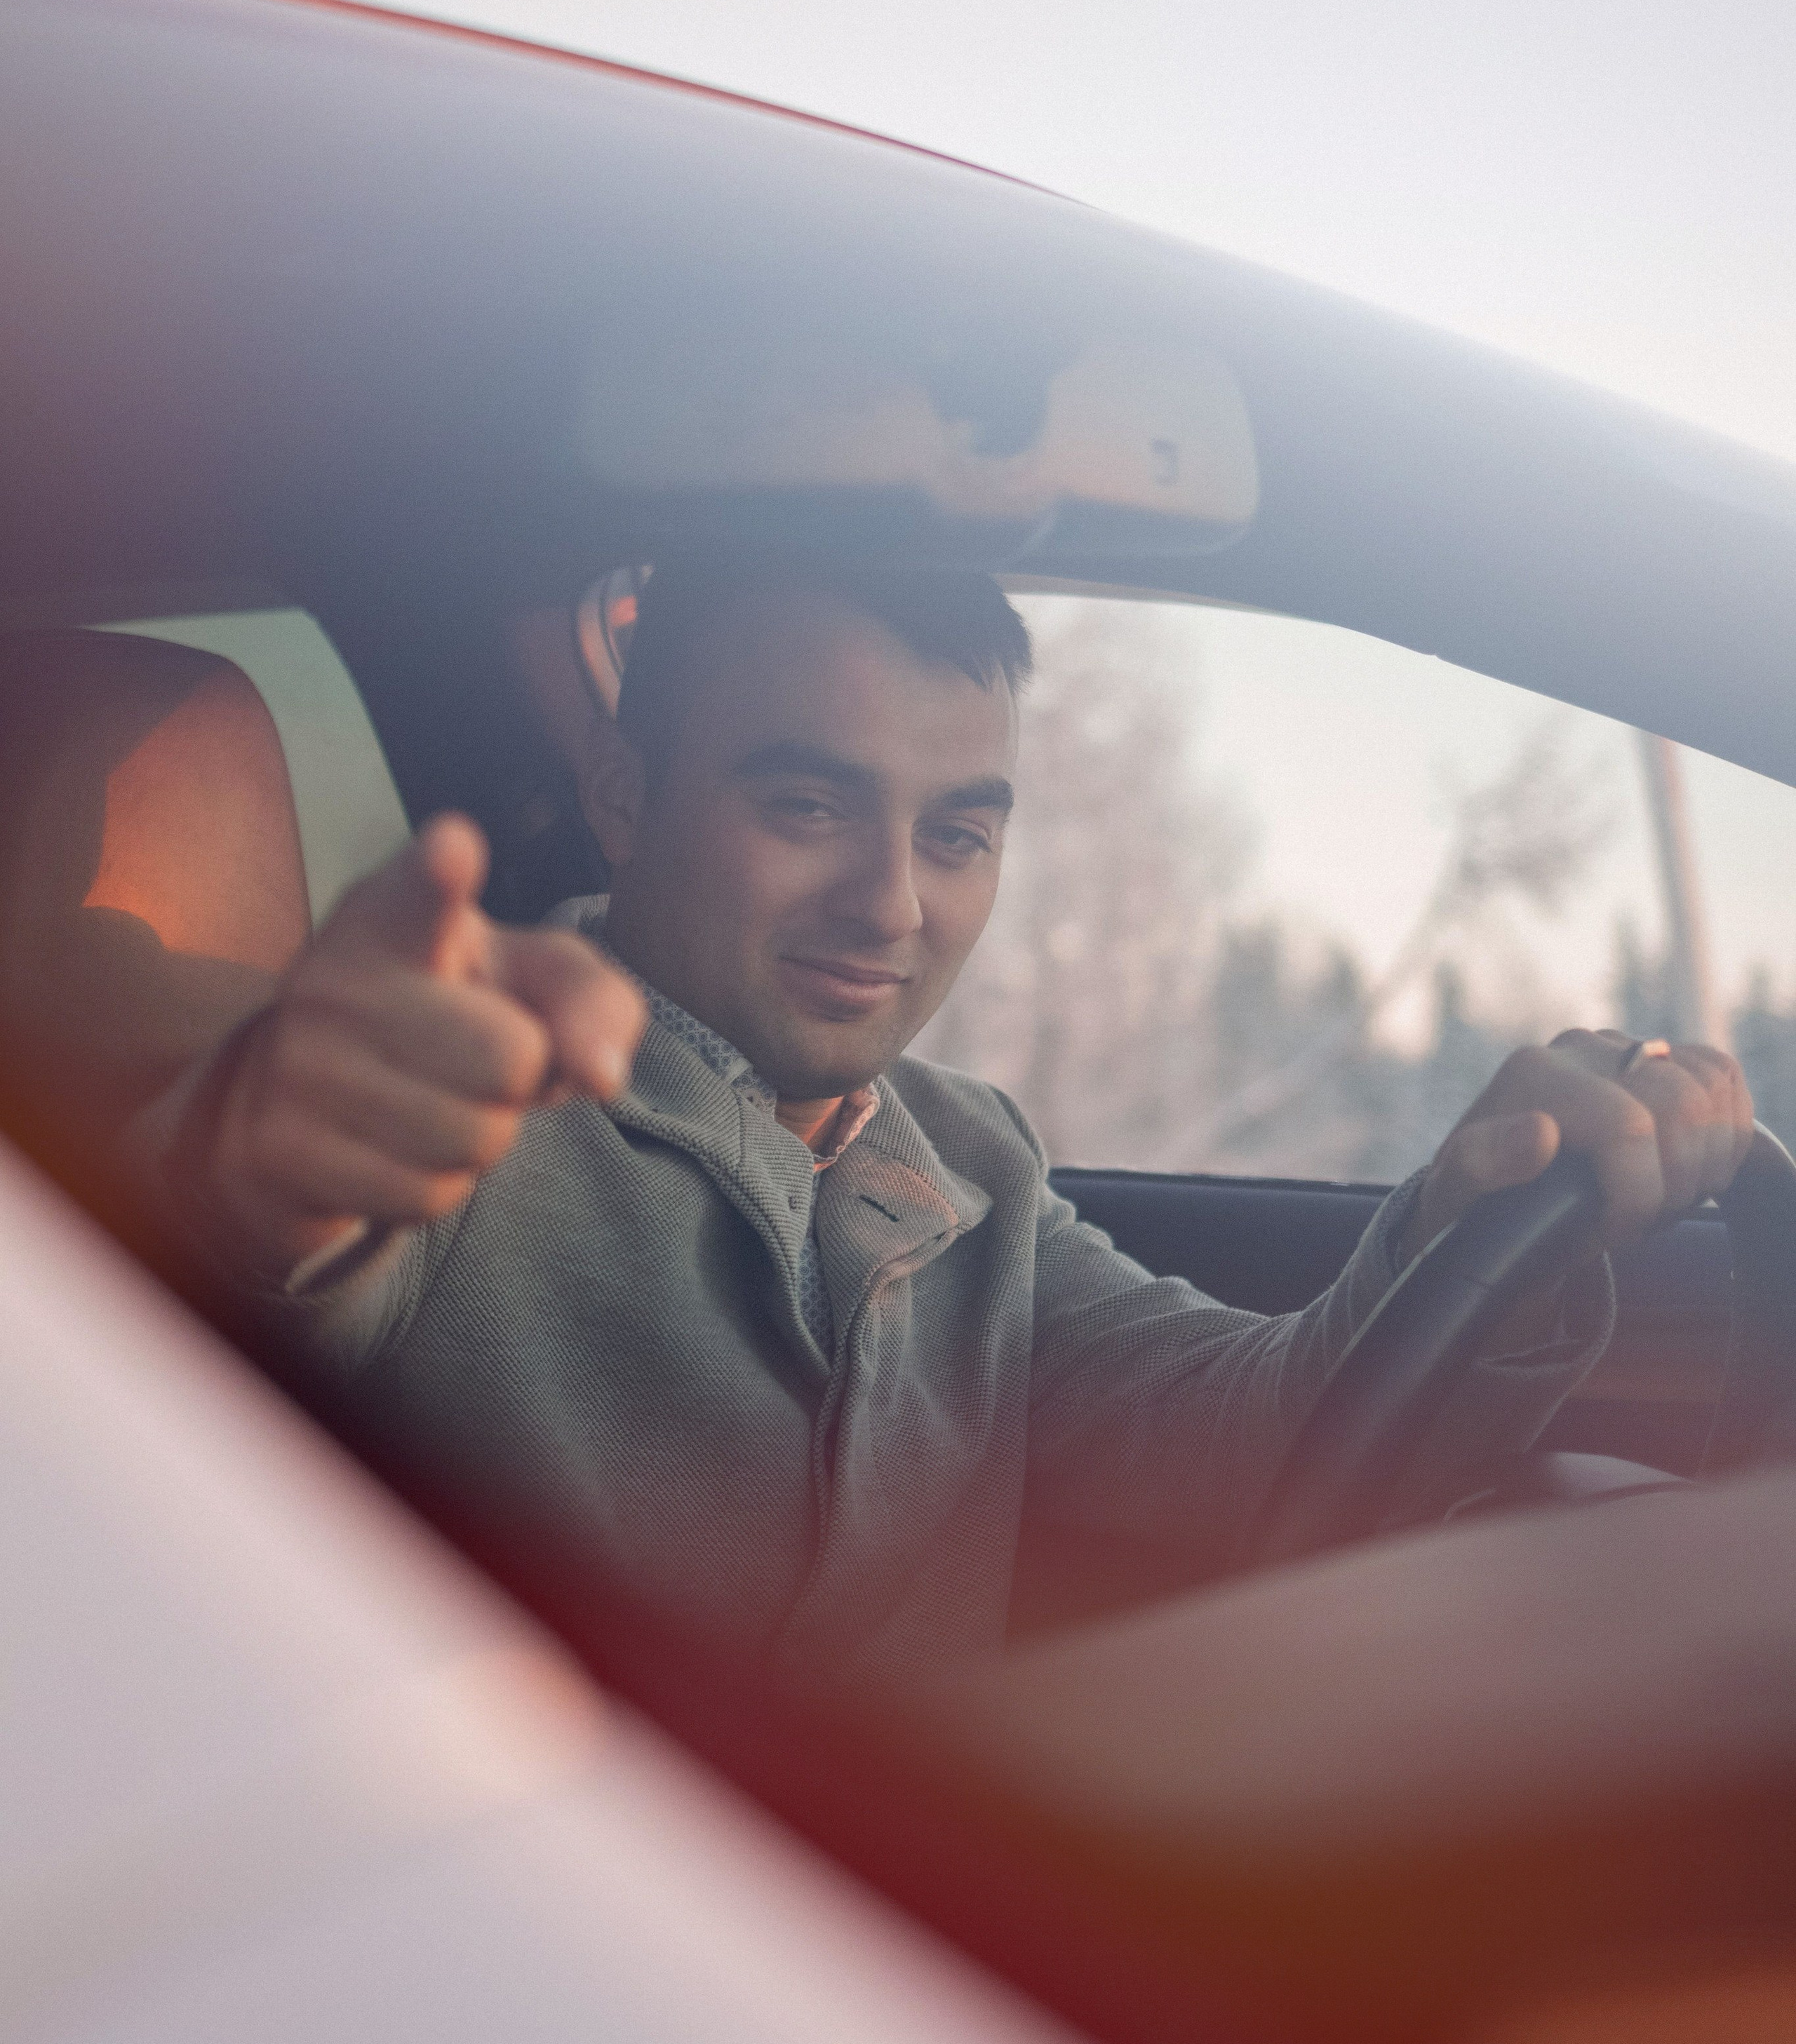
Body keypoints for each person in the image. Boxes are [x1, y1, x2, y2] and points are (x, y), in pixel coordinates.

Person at [152, 556, 1755, 1681]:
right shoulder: (459, 1091)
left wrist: (1475, 1212)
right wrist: (265, 1145)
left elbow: (1254, 1433)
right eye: (806, 806)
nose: (889, 903)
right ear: (625, 796)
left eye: (959, 833)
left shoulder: (968, 1162)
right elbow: (227, 1289)